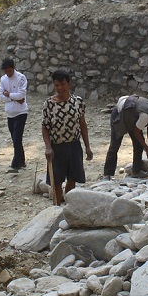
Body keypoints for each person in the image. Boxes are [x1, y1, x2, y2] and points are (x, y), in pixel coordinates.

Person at [42, 69, 93, 206]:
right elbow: (45, 127)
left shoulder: (78, 102)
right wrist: (48, 147)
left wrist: (87, 147)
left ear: (69, 84)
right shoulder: (49, 104)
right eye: (57, 85)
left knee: (72, 179)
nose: (60, 88)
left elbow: (83, 125)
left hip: (74, 145)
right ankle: (57, 208)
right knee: (56, 181)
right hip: (56, 148)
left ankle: (69, 207)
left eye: (62, 84)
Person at [103, 95, 148, 179]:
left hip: (133, 116)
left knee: (139, 145)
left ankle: (136, 171)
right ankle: (107, 174)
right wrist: (146, 148)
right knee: (115, 145)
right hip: (120, 113)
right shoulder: (146, 115)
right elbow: (136, 132)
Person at [0, 57, 28, 173]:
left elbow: (21, 95)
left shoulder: (21, 78)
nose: (8, 73)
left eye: (9, 71)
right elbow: (1, 96)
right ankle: (22, 160)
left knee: (17, 137)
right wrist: (13, 97)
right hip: (9, 113)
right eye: (6, 71)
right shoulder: (3, 79)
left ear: (13, 68)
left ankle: (15, 164)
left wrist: (9, 95)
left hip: (21, 112)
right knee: (15, 138)